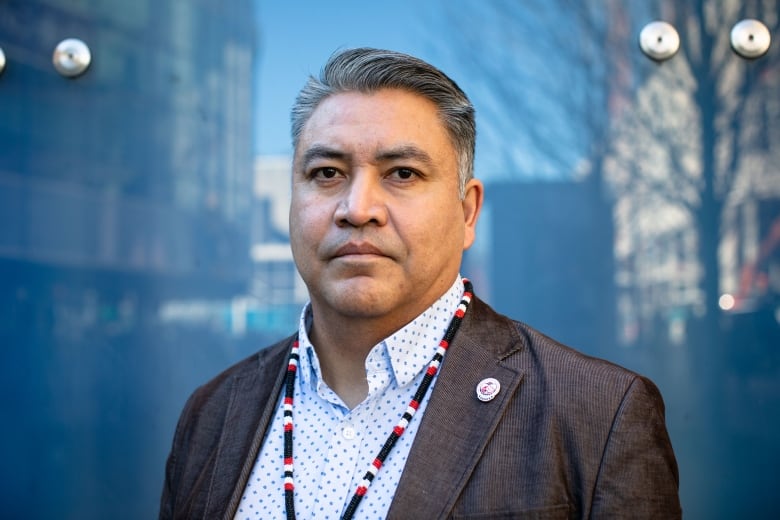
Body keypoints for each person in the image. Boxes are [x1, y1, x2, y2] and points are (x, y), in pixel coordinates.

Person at [160, 48, 681, 519]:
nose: (357, 209)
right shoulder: (214, 412)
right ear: (292, 200)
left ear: (467, 211)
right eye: (326, 173)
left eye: (402, 173)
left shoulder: (598, 415)